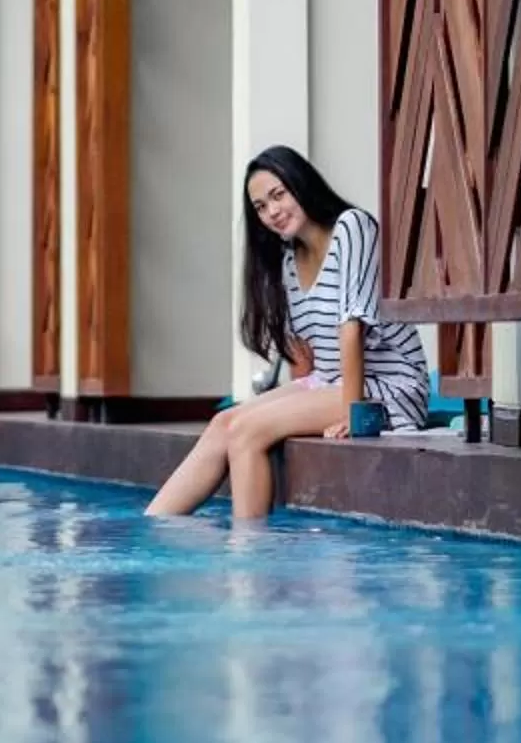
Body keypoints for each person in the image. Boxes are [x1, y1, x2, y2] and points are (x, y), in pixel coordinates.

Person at [147, 146, 431, 520]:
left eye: (278, 195)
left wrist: (353, 410)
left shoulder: (352, 228)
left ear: (302, 185)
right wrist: (297, 401)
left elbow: (352, 328)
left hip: (389, 389)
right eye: (261, 207)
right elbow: (308, 352)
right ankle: (152, 527)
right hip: (330, 382)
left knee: (248, 430)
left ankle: (249, 552)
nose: (272, 212)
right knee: (225, 422)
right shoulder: (288, 261)